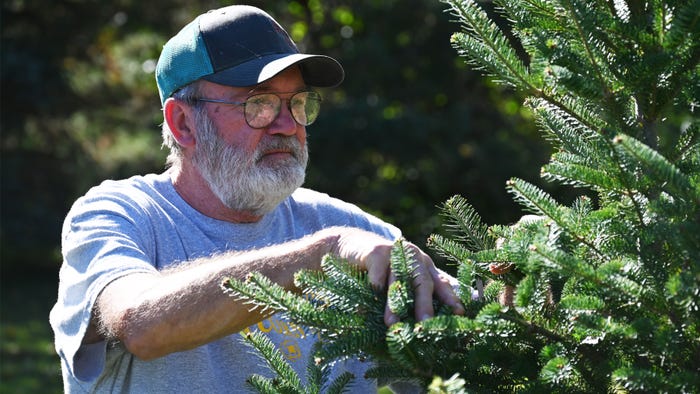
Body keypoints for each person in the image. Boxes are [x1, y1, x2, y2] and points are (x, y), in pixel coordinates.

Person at [50, 5, 464, 393]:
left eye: (298, 103)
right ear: (183, 123)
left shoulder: (358, 233)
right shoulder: (120, 215)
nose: (288, 125)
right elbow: (141, 324)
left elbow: (464, 359)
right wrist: (322, 254)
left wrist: (515, 276)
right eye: (259, 104)